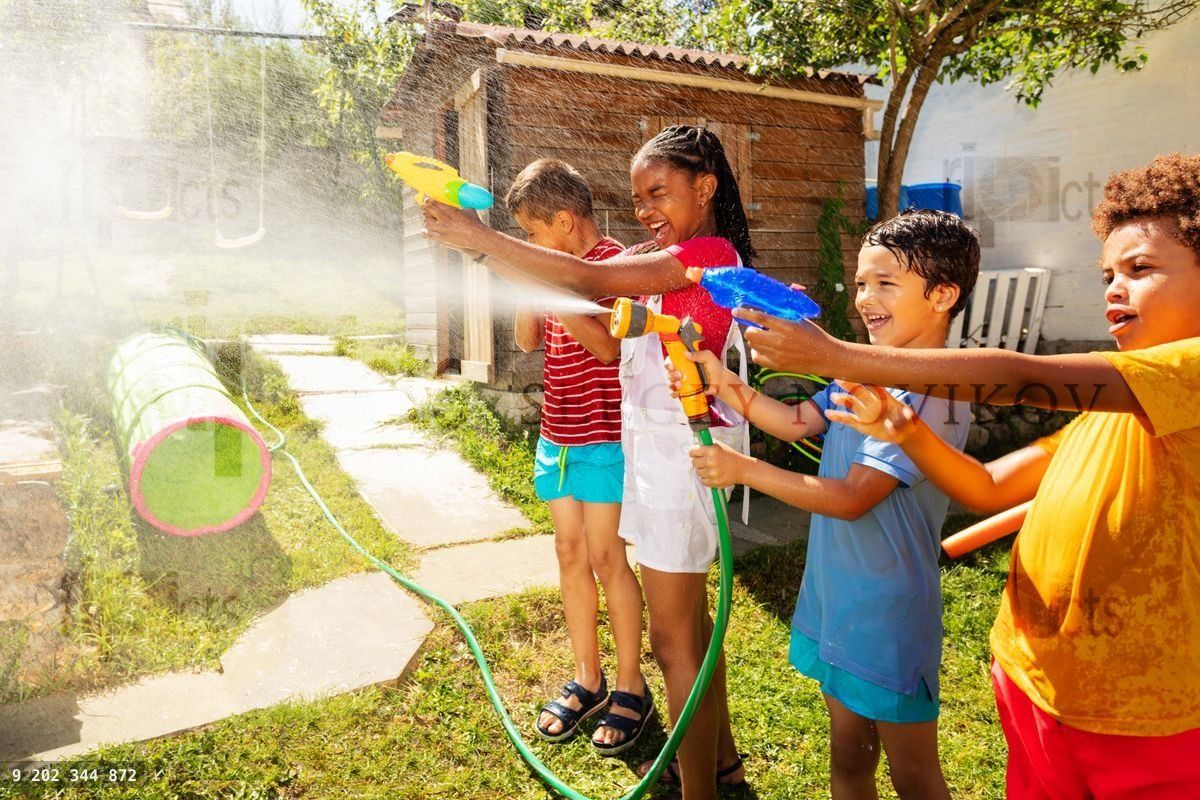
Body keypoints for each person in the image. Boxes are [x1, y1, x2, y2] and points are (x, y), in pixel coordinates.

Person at [744, 153, 1200, 799]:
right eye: (1107, 274)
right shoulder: (1104, 417)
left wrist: (837, 355)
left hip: (1142, 717)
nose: (1114, 289)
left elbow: (1018, 379)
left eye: (1141, 268)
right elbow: (984, 488)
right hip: (1035, 683)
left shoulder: (1187, 373)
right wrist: (903, 429)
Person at [423, 125, 752, 798]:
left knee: (675, 644)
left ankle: (702, 793)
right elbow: (575, 281)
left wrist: (477, 236)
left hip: (682, 465)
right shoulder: (662, 256)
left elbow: (588, 276)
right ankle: (724, 771)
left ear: (706, 187)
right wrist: (489, 257)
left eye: (658, 192)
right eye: (637, 199)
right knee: (690, 633)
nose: (645, 210)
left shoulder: (705, 253)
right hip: (666, 461)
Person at [679, 209, 978, 799]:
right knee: (848, 758)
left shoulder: (935, 393)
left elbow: (850, 499)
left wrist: (744, 470)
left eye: (886, 283)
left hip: (888, 615)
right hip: (835, 596)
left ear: (943, 295)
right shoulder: (856, 372)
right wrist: (717, 377)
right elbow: (793, 421)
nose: (866, 298)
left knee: (914, 775)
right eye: (862, 282)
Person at [501, 158, 644, 753]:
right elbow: (526, 341)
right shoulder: (549, 266)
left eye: (534, 234)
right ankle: (588, 676)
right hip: (557, 434)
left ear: (563, 221)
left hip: (605, 435)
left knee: (608, 557)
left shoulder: (615, 265)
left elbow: (609, 349)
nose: (531, 244)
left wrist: (556, 288)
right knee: (568, 551)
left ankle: (632, 686)